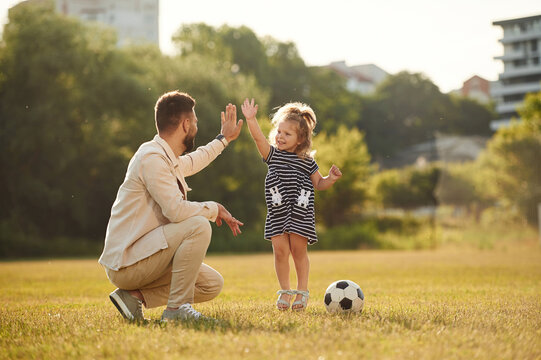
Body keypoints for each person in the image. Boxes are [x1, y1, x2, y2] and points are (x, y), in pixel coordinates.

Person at [98, 90, 244, 322]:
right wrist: (214, 208)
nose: (196, 126)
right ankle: (176, 310)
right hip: (127, 264)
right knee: (198, 225)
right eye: (194, 122)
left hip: (146, 256)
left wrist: (223, 139)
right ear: (186, 124)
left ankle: (133, 297)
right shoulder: (152, 158)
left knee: (210, 284)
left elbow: (195, 160)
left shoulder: (165, 158)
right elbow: (175, 211)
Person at [241, 98, 342, 311]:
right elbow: (259, 139)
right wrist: (251, 119)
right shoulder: (273, 156)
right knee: (279, 251)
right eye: (279, 132)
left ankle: (302, 291)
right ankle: (285, 292)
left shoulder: (307, 161)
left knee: (298, 251)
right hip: (277, 214)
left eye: (287, 134)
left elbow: (319, 183)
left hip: (300, 214)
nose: (280, 136)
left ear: (300, 139)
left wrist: (330, 179)